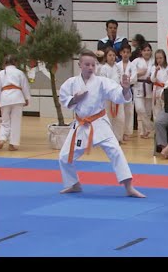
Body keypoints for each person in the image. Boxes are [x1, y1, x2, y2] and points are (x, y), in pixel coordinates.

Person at [58, 49, 145, 198]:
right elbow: (64, 98)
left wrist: (125, 89)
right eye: (87, 64)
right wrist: (75, 99)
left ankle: (129, 187)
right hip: (80, 124)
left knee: (116, 151)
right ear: (80, 65)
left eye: (93, 65)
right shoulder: (71, 83)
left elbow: (118, 95)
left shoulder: (101, 82)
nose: (91, 68)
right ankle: (74, 184)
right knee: (64, 157)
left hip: (99, 123)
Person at [0, 55, 31, 151]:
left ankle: (2, 140)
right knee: (16, 122)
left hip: (5, 97)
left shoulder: (1, 74)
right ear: (15, 63)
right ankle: (12, 144)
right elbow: (25, 86)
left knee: (5, 122)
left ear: (4, 63)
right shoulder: (19, 73)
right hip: (17, 97)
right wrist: (27, 98)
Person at [131, 42, 155, 138]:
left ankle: (145, 132)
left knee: (148, 111)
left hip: (149, 86)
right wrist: (138, 73)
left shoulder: (153, 61)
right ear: (141, 52)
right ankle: (150, 127)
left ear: (151, 51)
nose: (146, 52)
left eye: (148, 50)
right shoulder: (136, 61)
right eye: (144, 50)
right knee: (139, 109)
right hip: (138, 86)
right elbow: (130, 73)